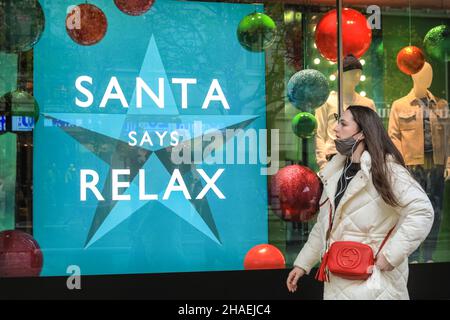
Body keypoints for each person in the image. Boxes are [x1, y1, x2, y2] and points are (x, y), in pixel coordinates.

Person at [286, 105, 434, 300]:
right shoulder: (335, 172)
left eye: (343, 123)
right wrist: (303, 264)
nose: (335, 129)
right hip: (339, 279)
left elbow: (422, 212)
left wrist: (391, 256)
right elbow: (325, 225)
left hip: (376, 283)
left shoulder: (387, 170)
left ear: (361, 134)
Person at [388, 61, 449, 263]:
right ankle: (412, 255)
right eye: (423, 74)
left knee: (436, 210)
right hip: (411, 166)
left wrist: (448, 164)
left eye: (430, 74)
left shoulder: (442, 105)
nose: (427, 78)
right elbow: (393, 137)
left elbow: (448, 137)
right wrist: (400, 167)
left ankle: (429, 256)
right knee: (411, 210)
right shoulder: (399, 105)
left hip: (436, 165)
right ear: (413, 76)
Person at [315, 54, 376, 169]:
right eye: (352, 73)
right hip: (332, 155)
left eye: (359, 73)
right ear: (342, 75)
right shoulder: (327, 101)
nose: (357, 76)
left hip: (360, 158)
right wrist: (322, 163)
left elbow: (373, 135)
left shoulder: (367, 103)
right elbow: (319, 133)